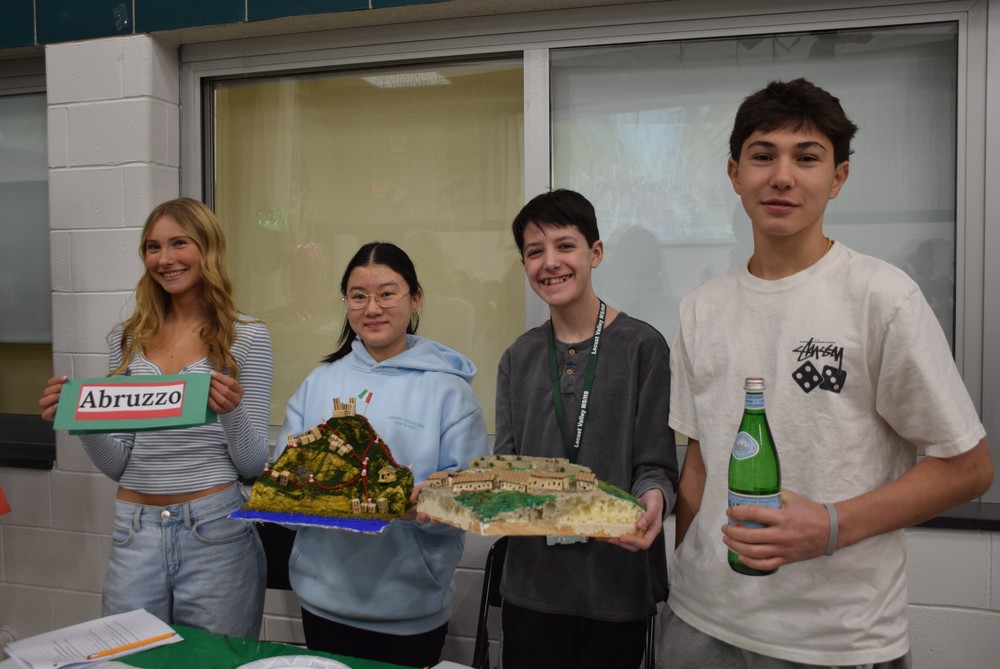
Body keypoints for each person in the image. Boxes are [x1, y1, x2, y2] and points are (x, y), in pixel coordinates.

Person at [660, 78, 994, 668]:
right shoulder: (700, 306)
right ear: (734, 174)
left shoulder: (882, 298)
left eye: (807, 157)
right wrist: (683, 568)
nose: (782, 176)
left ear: (838, 177)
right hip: (699, 622)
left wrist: (831, 525)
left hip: (834, 640)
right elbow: (700, 462)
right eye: (763, 156)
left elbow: (968, 468)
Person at [39, 197, 273, 638]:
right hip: (135, 531)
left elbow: (253, 466)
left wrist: (232, 413)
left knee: (212, 665)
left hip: (215, 530)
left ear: (208, 248)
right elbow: (119, 466)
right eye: (152, 247)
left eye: (178, 243)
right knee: (128, 661)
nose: (164, 259)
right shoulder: (127, 339)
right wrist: (83, 421)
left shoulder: (247, 337)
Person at [278, 241, 487, 667]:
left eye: (387, 293)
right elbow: (285, 479)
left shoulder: (449, 392)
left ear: (415, 299)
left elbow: (471, 497)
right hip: (321, 600)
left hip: (409, 609)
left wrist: (429, 501)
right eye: (359, 296)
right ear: (347, 304)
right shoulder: (319, 383)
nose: (372, 307)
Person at [494, 189, 677, 669]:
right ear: (524, 264)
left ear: (594, 253)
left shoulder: (644, 347)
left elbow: (655, 465)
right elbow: (505, 469)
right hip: (531, 586)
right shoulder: (518, 357)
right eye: (535, 252)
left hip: (616, 586)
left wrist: (653, 500)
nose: (550, 263)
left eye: (565, 245)